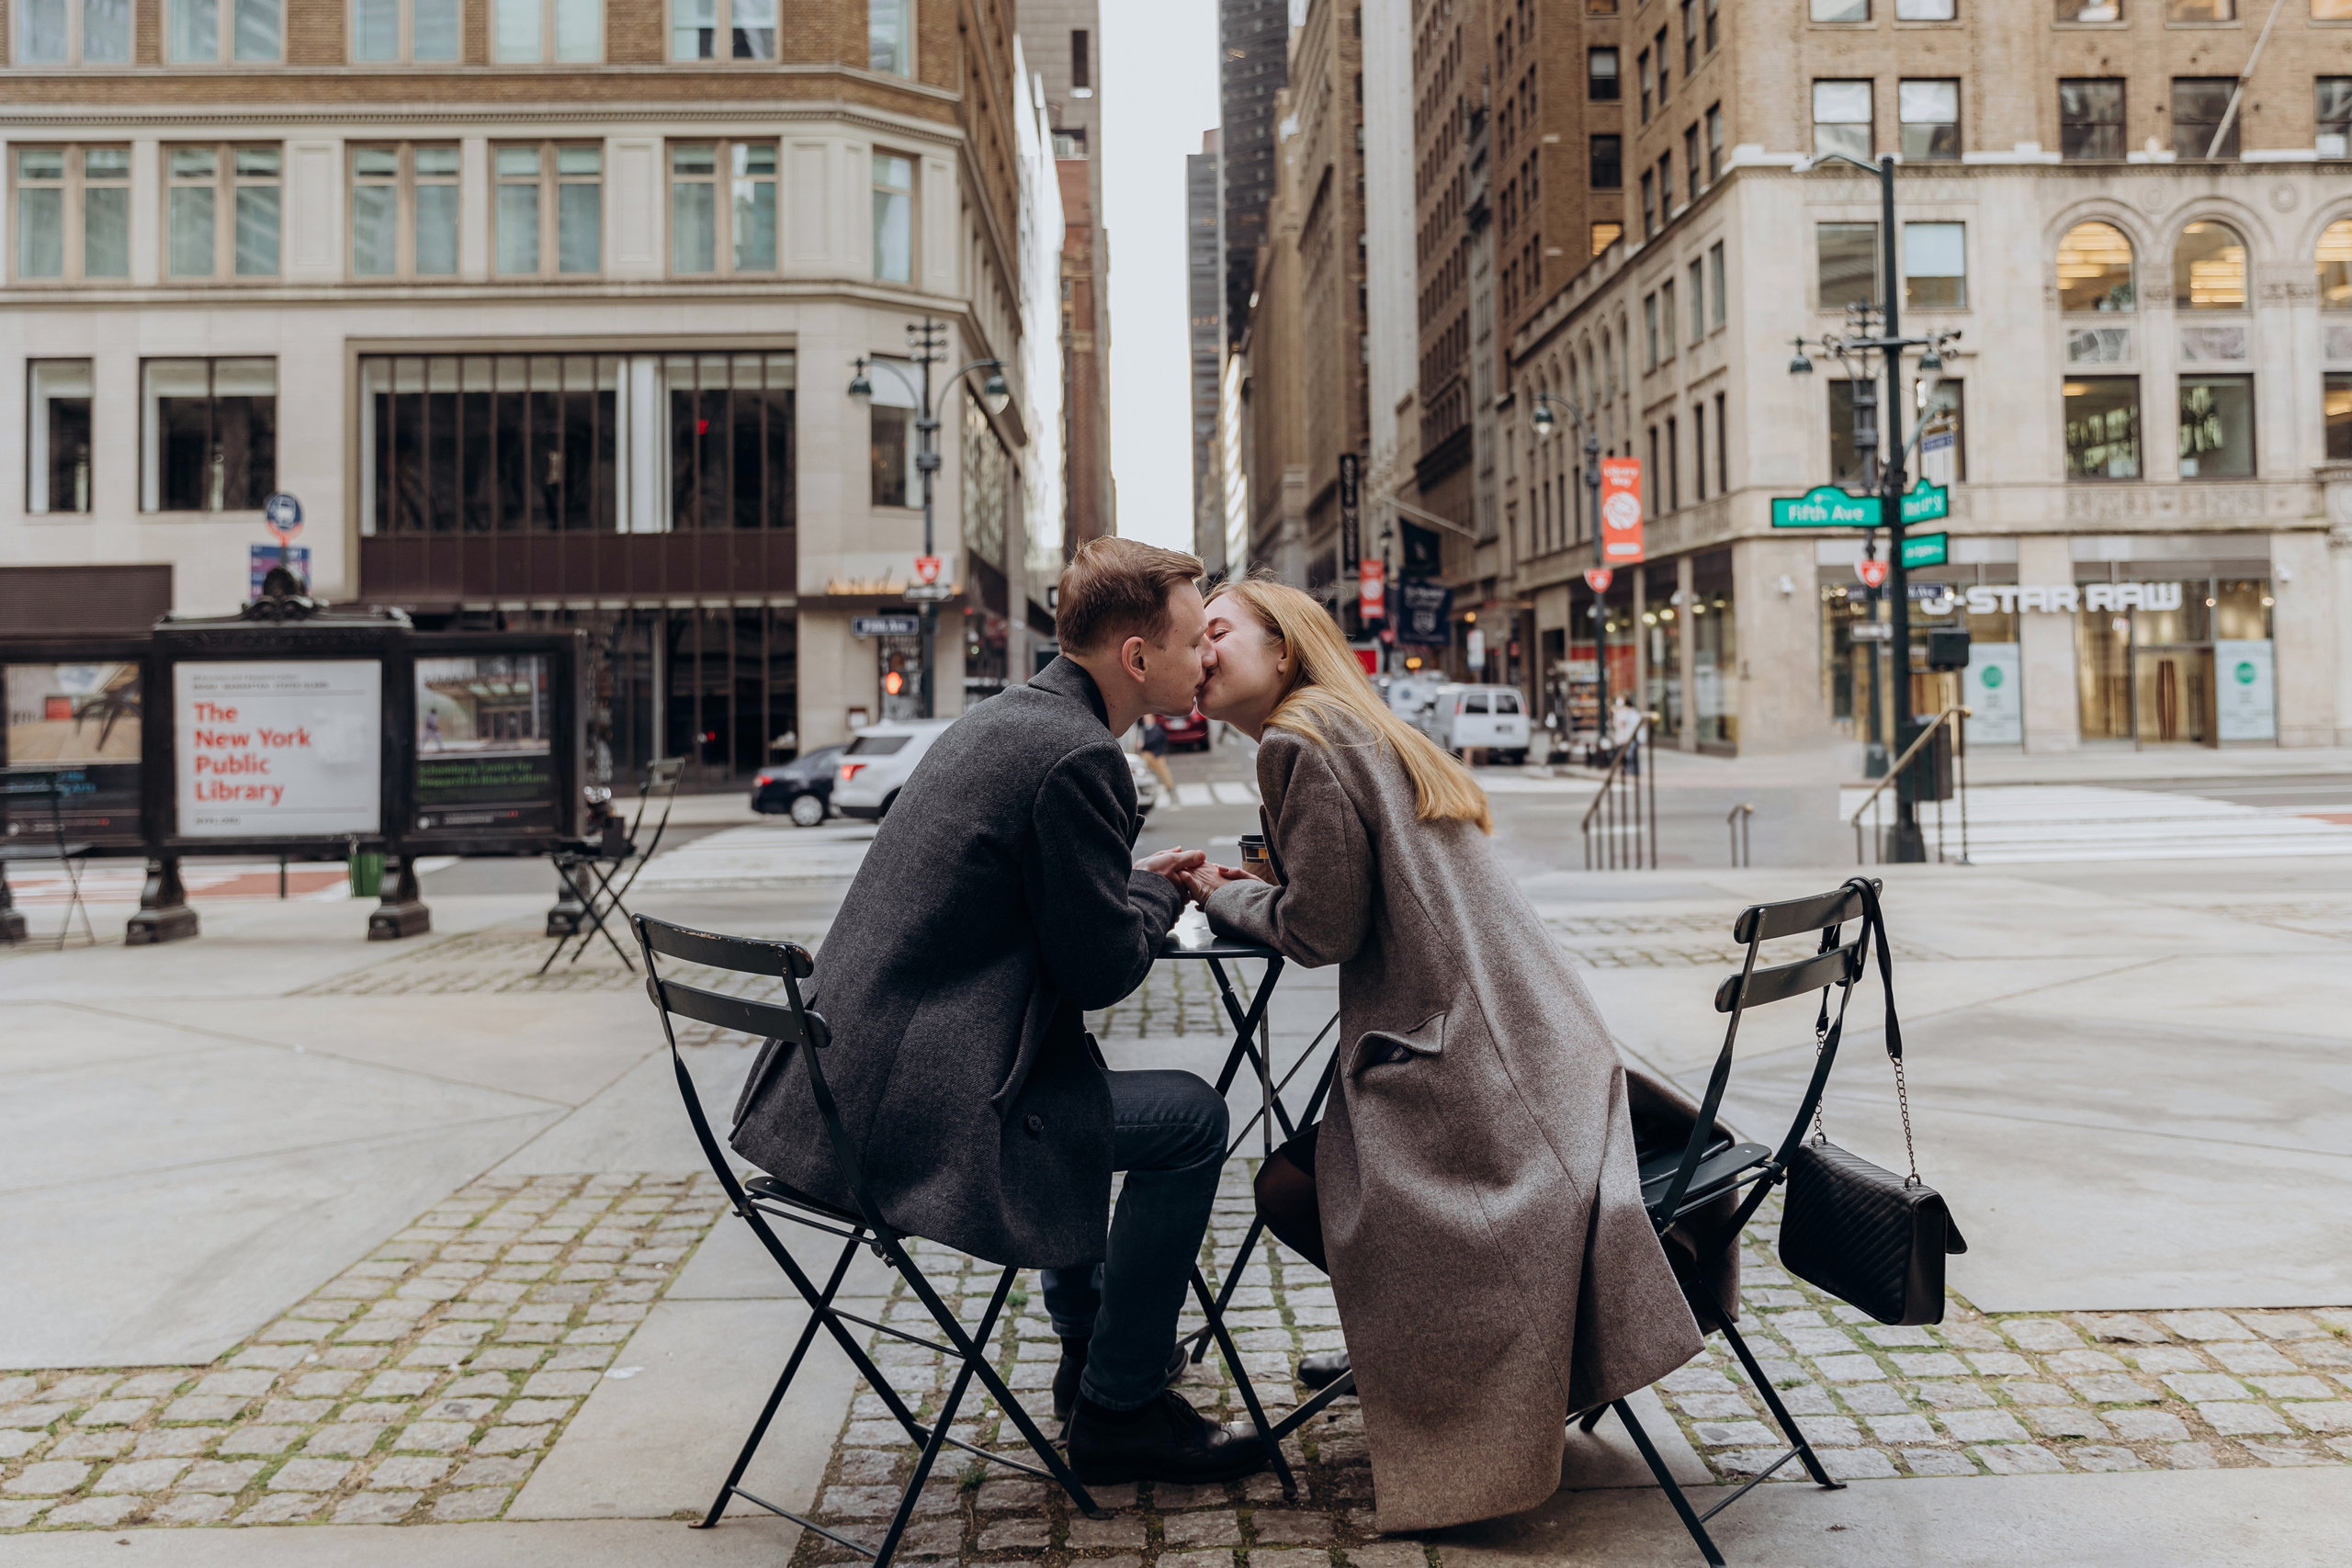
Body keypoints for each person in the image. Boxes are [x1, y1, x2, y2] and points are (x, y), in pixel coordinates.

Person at [1181, 577, 1734, 1533]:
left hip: (1472, 1091)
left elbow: (1322, 929)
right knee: (1307, 1171)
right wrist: (1254, 873)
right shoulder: (1353, 725)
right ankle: (1413, 1352)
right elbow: (1344, 882)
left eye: (1217, 631)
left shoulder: (1294, 742)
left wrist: (1213, 893)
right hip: (1544, 1061)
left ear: (1285, 648)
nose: (1198, 652)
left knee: (1289, 1186)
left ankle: (1458, 1364)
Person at [729, 537, 1267, 1487]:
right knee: (1192, 1119)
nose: (1206, 660)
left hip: (834, 1087)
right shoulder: (1077, 757)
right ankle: (1120, 1402)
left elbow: (1035, 909)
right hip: (909, 1110)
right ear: (1136, 659)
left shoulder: (1010, 720)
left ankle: (1087, 1351)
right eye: (1192, 642)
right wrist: (1163, 895)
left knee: (1076, 1078)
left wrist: (1124, 882)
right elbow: (1100, 970)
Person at [1137, 714, 1179, 799]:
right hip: (1147, 753)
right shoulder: (1145, 728)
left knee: (1163, 770)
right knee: (1142, 768)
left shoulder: (1156, 728)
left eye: (1148, 718)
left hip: (1156, 753)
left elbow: (1155, 740)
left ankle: (1169, 786)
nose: (1146, 720)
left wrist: (1143, 744)